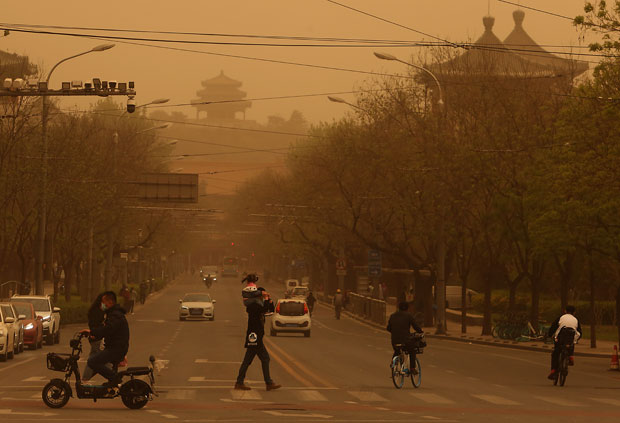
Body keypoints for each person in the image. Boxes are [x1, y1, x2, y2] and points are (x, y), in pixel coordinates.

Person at [235, 287, 281, 391]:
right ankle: (267, 383)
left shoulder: (258, 305)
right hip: (254, 337)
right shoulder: (254, 306)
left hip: (257, 336)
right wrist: (265, 299)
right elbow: (264, 309)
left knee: (251, 360)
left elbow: (269, 310)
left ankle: (241, 382)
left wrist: (268, 299)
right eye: (262, 295)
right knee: (261, 359)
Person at [81, 291, 130, 387]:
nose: (102, 305)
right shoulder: (113, 314)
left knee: (93, 361)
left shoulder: (115, 315)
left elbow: (108, 329)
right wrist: (94, 334)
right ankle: (113, 382)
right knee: (100, 361)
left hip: (116, 348)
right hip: (115, 347)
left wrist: (93, 332)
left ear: (110, 302)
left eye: (103, 302)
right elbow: (108, 331)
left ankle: (115, 379)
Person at [387, 301, 424, 374]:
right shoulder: (409, 316)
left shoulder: (392, 316)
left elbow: (388, 328)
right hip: (406, 340)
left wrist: (395, 332)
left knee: (397, 350)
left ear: (398, 307)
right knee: (412, 350)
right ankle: (412, 368)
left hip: (394, 340)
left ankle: (393, 362)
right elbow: (415, 326)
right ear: (407, 308)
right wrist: (421, 332)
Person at [547, 305, 582, 380]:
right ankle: (571, 356)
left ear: (565, 311)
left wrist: (549, 335)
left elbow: (553, 327)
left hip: (560, 338)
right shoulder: (576, 320)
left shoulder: (561, 317)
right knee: (572, 343)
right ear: (574, 312)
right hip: (571, 338)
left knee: (555, 353)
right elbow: (579, 332)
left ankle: (553, 370)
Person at [82, 293, 106, 382]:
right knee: (99, 359)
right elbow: (96, 325)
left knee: (94, 357)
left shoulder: (95, 310)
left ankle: (86, 377)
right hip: (96, 337)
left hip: (95, 337)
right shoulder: (97, 311)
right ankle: (86, 377)